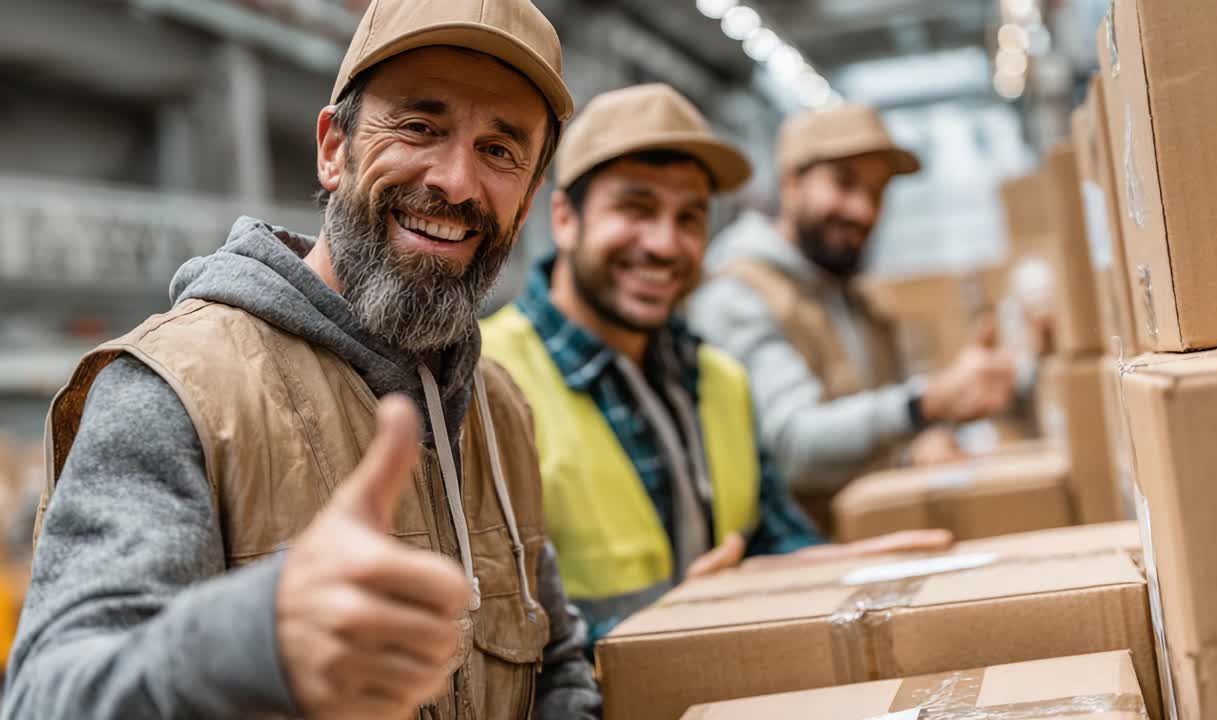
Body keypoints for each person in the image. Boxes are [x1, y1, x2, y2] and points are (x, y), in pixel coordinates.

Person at [3, 1, 602, 718]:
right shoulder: (176, 391)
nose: (456, 182)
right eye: (419, 126)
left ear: (528, 201)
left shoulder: (498, 407)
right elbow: (46, 698)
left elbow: (556, 659)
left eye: (500, 151)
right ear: (332, 149)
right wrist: (251, 641)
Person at [481, 84, 951, 651]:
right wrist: (678, 617)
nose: (664, 244)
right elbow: (491, 648)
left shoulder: (718, 378)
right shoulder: (488, 382)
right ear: (564, 218)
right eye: (635, 209)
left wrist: (822, 564)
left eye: (689, 218)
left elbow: (770, 536)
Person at [689, 104, 1017, 529]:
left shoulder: (849, 296)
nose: (864, 210)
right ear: (791, 183)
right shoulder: (738, 295)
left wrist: (921, 442)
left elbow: (873, 429)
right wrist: (925, 405)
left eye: (877, 193)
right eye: (844, 184)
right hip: (799, 568)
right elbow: (792, 446)